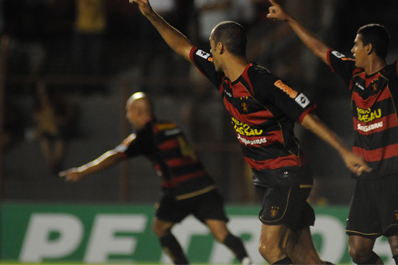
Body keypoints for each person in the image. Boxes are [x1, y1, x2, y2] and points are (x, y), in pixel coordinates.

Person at [129, 0, 370, 265]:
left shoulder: (262, 81)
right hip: (266, 178)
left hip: (286, 173)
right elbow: (182, 46)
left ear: (219, 47)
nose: (207, 48)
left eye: (210, 44)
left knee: (268, 249)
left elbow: (307, 117)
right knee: (305, 257)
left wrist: (343, 152)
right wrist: (151, 14)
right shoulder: (220, 75)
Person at [266, 0, 398, 265]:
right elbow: (319, 48)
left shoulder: (394, 79)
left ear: (369, 48)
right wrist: (289, 19)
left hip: (395, 171)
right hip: (366, 174)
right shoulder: (353, 74)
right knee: (357, 250)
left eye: (356, 44)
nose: (352, 49)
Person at [59, 92, 253, 265]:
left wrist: (83, 171)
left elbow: (116, 156)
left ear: (139, 112)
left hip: (180, 189)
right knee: (221, 233)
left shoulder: (145, 136)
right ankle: (245, 259)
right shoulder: (172, 126)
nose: (128, 116)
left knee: (159, 228)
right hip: (205, 185)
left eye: (129, 111)